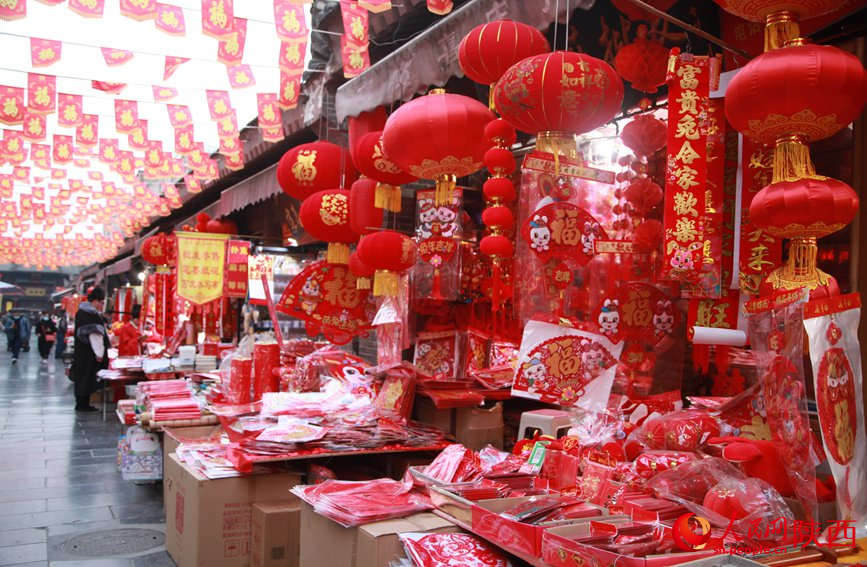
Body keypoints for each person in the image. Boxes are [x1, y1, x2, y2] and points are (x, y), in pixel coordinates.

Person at [71, 288, 110, 412]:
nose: (102, 305)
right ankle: (83, 405)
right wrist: (99, 354)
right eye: (101, 302)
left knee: (82, 376)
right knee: (87, 377)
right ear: (96, 301)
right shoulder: (91, 315)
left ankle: (81, 403)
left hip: (81, 351)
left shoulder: (81, 312)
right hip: (89, 352)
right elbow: (95, 337)